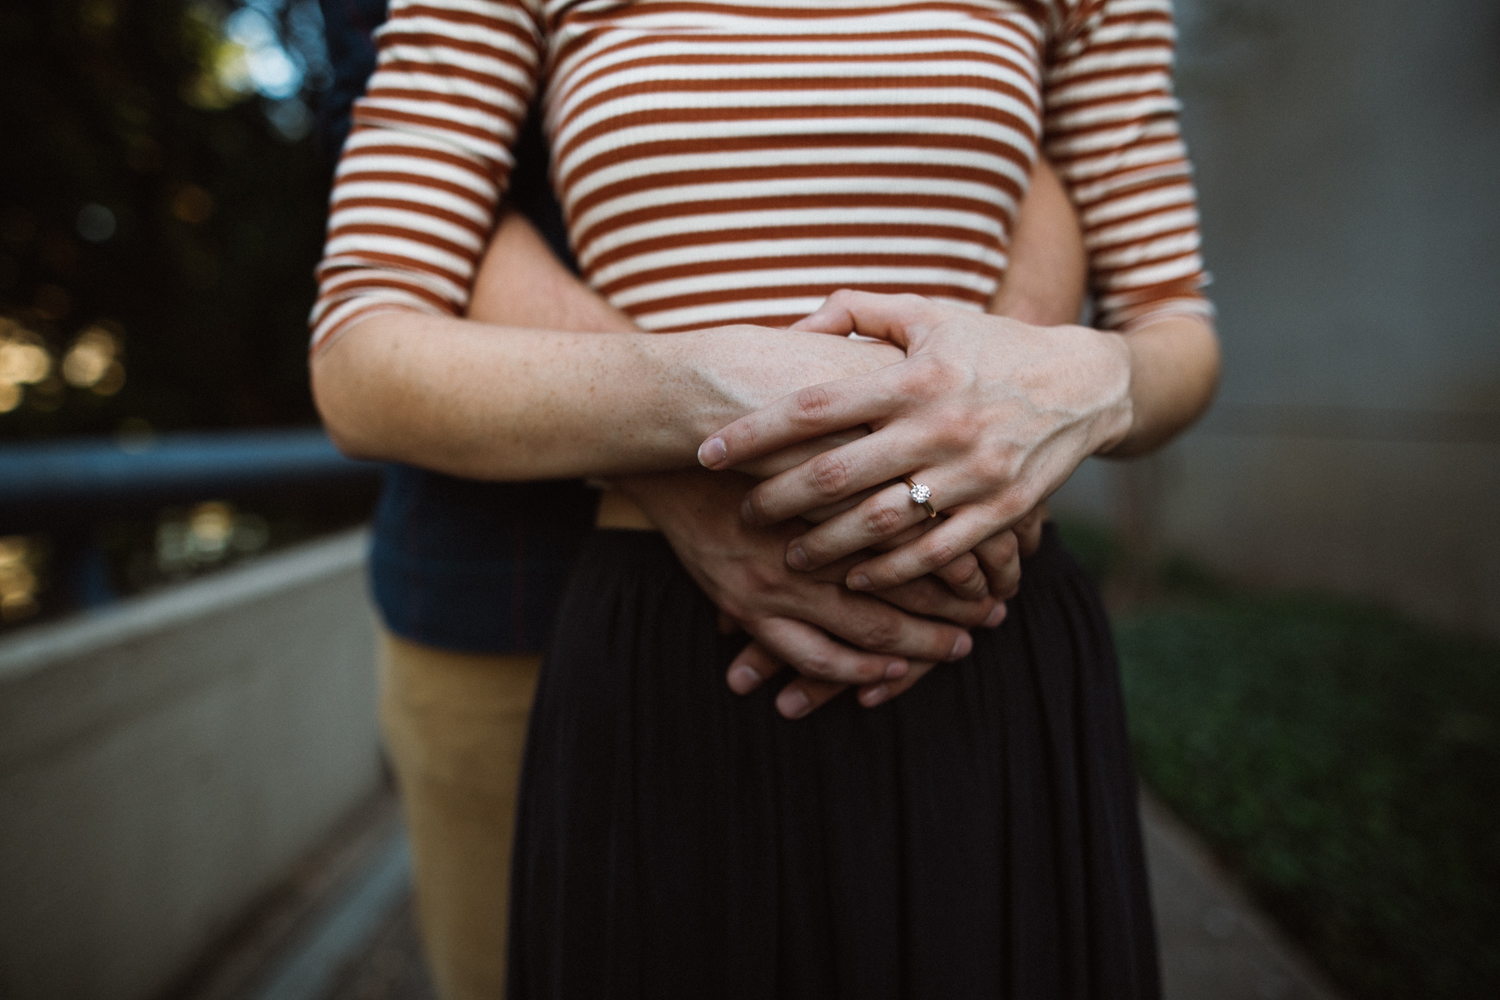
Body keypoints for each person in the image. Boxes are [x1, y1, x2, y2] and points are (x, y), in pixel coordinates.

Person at [310, 1, 1219, 996]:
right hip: (665, 654)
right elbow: (362, 352)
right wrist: (692, 392)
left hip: (981, 650)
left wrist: (1079, 381)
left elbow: (1171, 321)